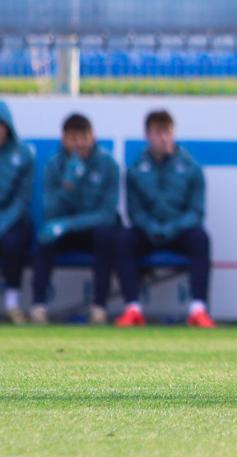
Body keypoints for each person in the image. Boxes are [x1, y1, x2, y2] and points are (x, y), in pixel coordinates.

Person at [31, 114, 130, 325]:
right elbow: (50, 211)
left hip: (90, 229)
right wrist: (68, 184)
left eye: (84, 138)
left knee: (106, 237)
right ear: (63, 139)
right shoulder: (53, 165)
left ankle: (99, 307)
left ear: (93, 137)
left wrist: (68, 224)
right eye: (73, 139)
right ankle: (38, 307)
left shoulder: (108, 164)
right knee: (45, 239)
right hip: (64, 232)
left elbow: (107, 214)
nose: (79, 144)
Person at [123, 110, 215, 328]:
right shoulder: (135, 169)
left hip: (179, 232)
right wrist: (152, 228)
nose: (164, 138)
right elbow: (134, 212)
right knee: (124, 239)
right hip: (148, 232)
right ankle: (132, 309)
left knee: (200, 239)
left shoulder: (191, 167)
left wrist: (171, 228)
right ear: (147, 135)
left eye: (167, 132)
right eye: (158, 132)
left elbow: (196, 211)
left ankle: (198, 309)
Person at [0, 101, 35, 323]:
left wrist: (2, 225)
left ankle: (12, 304)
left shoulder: (24, 154)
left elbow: (22, 200)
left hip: (14, 222)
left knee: (12, 242)